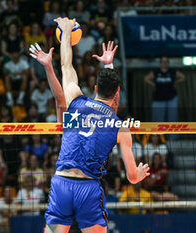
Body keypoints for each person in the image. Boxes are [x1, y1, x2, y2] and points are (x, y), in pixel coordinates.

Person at [42, 17, 149, 233]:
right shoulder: (120, 127)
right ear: (118, 92)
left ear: (94, 87)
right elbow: (131, 177)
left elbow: (66, 66)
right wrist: (139, 173)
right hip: (88, 189)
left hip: (62, 182)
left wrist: (64, 32)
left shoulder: (76, 101)